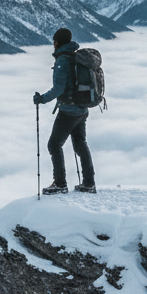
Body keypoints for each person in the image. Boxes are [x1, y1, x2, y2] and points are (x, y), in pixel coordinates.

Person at [32, 27, 96, 194]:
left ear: (57, 42)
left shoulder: (63, 60)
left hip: (69, 110)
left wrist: (42, 99)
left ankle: (60, 183)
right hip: (82, 108)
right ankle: (89, 183)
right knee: (80, 144)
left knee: (54, 145)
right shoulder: (75, 56)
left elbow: (59, 88)